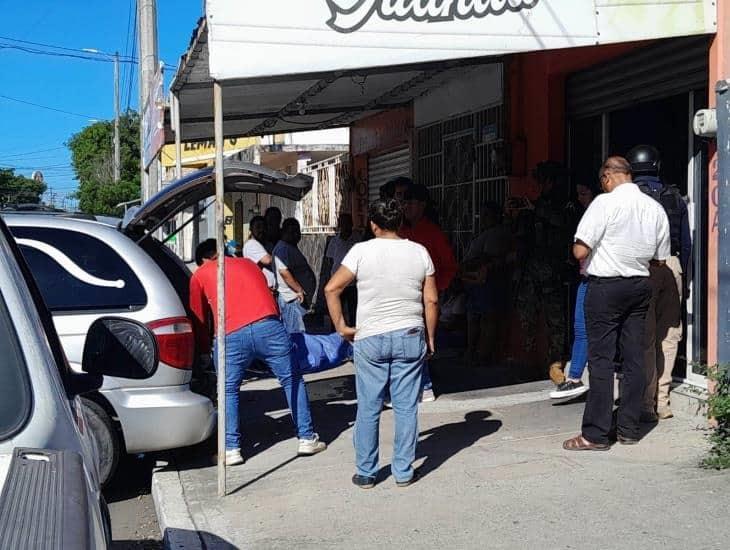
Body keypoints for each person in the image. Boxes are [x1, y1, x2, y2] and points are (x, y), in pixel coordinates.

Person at [325, 199, 439, 488]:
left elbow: (332, 288)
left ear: (373, 225)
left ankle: (366, 472)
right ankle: (403, 472)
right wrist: (431, 337)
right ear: (401, 223)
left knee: (368, 405)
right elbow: (431, 300)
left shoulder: (361, 251)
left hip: (370, 337)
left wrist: (341, 327)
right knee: (406, 407)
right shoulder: (419, 252)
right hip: (410, 335)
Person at [563, 157, 670, 451]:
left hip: (606, 287)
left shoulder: (603, 204)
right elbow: (660, 260)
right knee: (635, 358)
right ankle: (629, 429)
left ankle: (595, 435)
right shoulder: (655, 208)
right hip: (639, 286)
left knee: (602, 360)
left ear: (607, 177)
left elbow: (580, 249)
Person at [188, 239, 326, 465]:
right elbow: (263, 289)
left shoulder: (200, 275)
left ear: (204, 259)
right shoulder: (249, 264)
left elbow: (199, 319)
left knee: (228, 390)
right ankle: (306, 438)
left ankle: (232, 449)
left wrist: (204, 351)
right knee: (291, 379)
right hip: (268, 326)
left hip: (230, 334)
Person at [627, 145, 691, 421]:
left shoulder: (629, 200)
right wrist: (684, 276)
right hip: (672, 265)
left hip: (642, 267)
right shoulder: (675, 197)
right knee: (669, 335)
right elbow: (686, 244)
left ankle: (645, 404)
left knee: (645, 337)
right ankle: (662, 401)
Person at [511, 161, 572, 384]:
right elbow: (520, 238)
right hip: (531, 270)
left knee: (555, 319)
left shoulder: (561, 204)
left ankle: (555, 363)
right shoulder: (536, 206)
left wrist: (536, 209)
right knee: (527, 316)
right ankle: (529, 361)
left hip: (552, 271)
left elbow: (563, 224)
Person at [401, 183, 457, 401]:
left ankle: (424, 386)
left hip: (426, 296)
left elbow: (450, 266)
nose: (406, 207)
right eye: (404, 202)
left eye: (410, 202)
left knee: (422, 339)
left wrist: (437, 289)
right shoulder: (400, 231)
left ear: (422, 205)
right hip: (404, 295)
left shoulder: (433, 233)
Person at [550, 182, 599, 399]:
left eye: (584, 192)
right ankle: (574, 377)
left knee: (589, 331)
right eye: (578, 193)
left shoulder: (598, 213)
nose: (580, 197)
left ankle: (579, 378)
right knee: (582, 329)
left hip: (599, 279)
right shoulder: (579, 214)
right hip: (587, 277)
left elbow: (579, 251)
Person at [460, 201, 510, 366]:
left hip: (486, 282)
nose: (483, 218)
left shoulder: (495, 234)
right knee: (474, 317)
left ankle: (482, 354)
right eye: (482, 215)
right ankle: (473, 352)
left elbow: (488, 257)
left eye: (487, 215)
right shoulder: (484, 233)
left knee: (487, 319)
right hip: (475, 281)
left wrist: (469, 265)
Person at [273, 218, 317, 333]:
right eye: (292, 232)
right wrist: (299, 290)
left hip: (296, 299)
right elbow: (284, 272)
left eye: (298, 232)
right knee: (297, 334)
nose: (296, 235)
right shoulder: (282, 249)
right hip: (292, 300)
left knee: (299, 332)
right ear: (284, 232)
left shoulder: (289, 247)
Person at [324, 213, 360, 326]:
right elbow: (329, 262)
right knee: (336, 311)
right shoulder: (334, 242)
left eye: (347, 223)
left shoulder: (357, 241)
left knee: (354, 311)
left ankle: (354, 334)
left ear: (351, 224)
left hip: (352, 283)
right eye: (342, 223)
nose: (345, 226)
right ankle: (336, 335)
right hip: (337, 281)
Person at [242, 215, 276, 289]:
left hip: (271, 288)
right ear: (251, 229)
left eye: (263, 227)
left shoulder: (266, 244)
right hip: (262, 288)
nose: (261, 230)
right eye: (258, 227)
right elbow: (267, 260)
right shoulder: (251, 244)